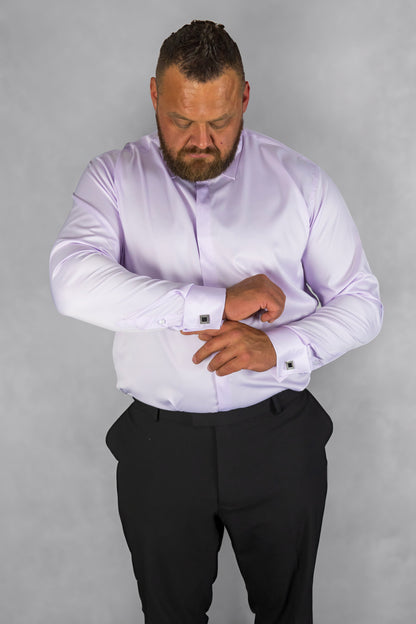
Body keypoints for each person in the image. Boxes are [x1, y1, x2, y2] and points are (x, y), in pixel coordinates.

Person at [50, 20, 383, 624]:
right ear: (155, 95)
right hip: (160, 447)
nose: (201, 140)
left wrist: (278, 349)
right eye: (182, 120)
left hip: (278, 438)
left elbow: (362, 302)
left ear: (245, 98)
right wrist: (212, 303)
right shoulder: (113, 180)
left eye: (219, 121)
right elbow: (72, 284)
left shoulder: (301, 182)